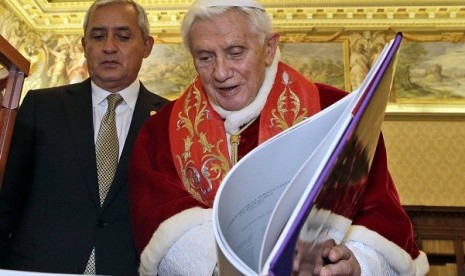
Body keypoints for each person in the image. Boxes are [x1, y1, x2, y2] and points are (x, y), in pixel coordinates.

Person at [128, 0, 429, 275]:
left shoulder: (339, 112)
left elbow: (379, 215)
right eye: (205, 57)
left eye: (235, 52)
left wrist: (358, 263)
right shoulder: (160, 133)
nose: (220, 72)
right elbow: (161, 225)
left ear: (269, 48)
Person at [0, 0, 168, 275]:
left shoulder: (168, 119)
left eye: (123, 36)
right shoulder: (42, 106)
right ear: (84, 44)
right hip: (38, 268)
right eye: (98, 36)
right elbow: (7, 198)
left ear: (147, 46)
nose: (109, 47)